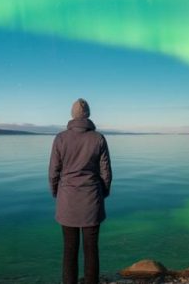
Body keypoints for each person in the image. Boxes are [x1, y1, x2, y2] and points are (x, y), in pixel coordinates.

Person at [49, 98, 112, 284]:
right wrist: (102, 193)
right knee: (91, 250)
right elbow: (106, 173)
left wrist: (56, 193)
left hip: (67, 200)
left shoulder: (60, 138)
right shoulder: (98, 138)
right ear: (88, 114)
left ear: (72, 115)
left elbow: (53, 172)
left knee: (69, 250)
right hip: (92, 199)